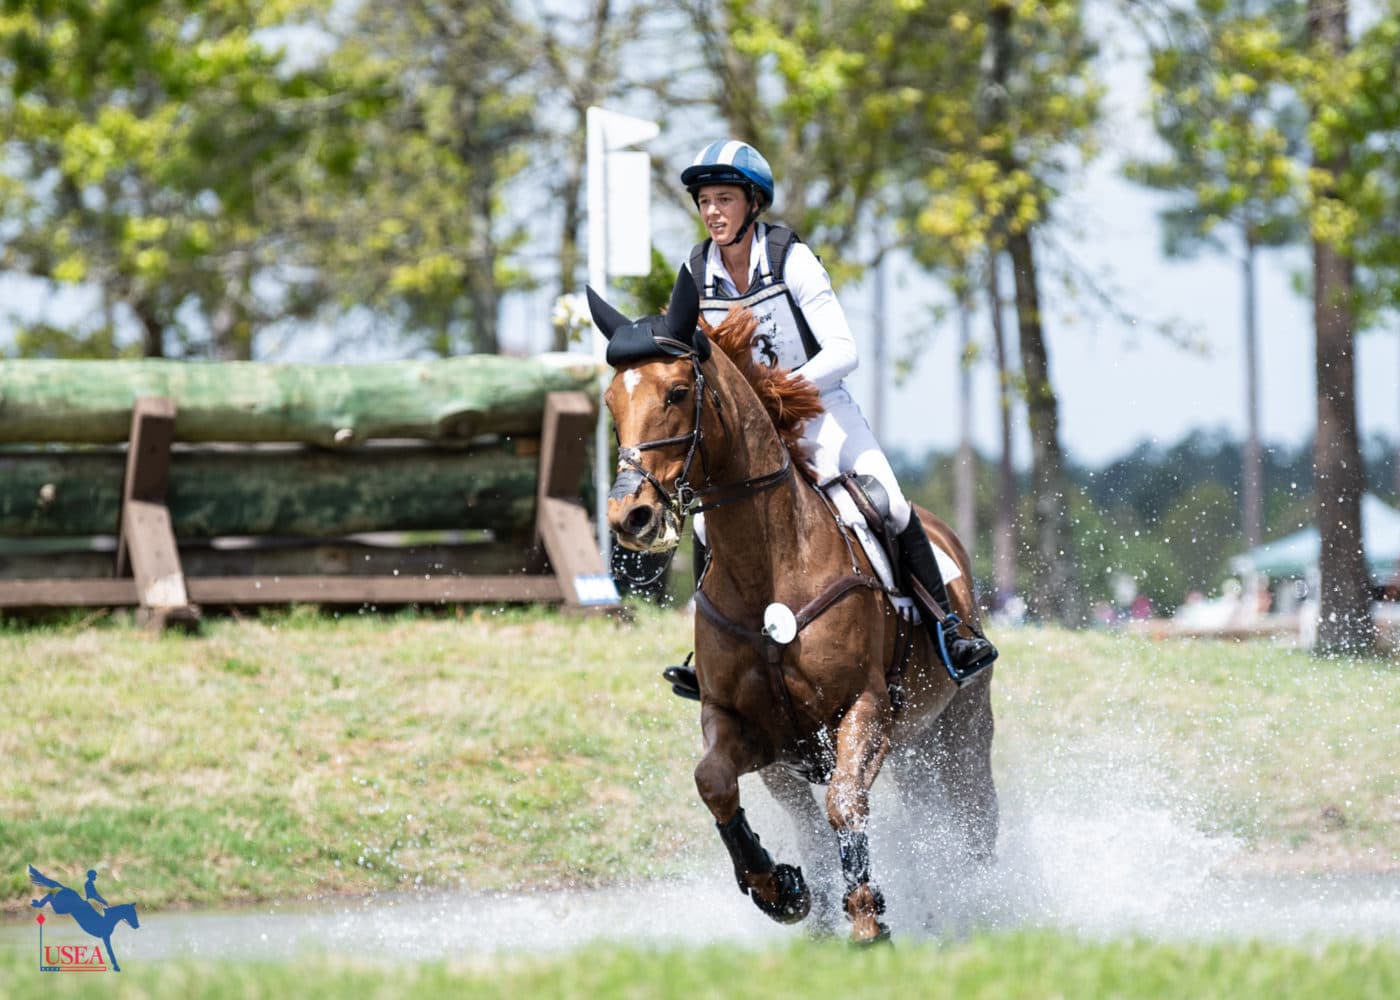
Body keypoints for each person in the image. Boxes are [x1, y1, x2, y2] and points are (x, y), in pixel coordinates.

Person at [661, 139, 997, 698]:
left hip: (820, 408)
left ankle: (950, 629)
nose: (713, 212)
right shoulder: (696, 271)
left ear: (752, 203)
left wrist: (781, 388)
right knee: (703, 522)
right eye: (704, 201)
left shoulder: (790, 257)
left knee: (887, 501)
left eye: (724, 198)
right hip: (754, 428)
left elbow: (844, 350)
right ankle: (709, 654)